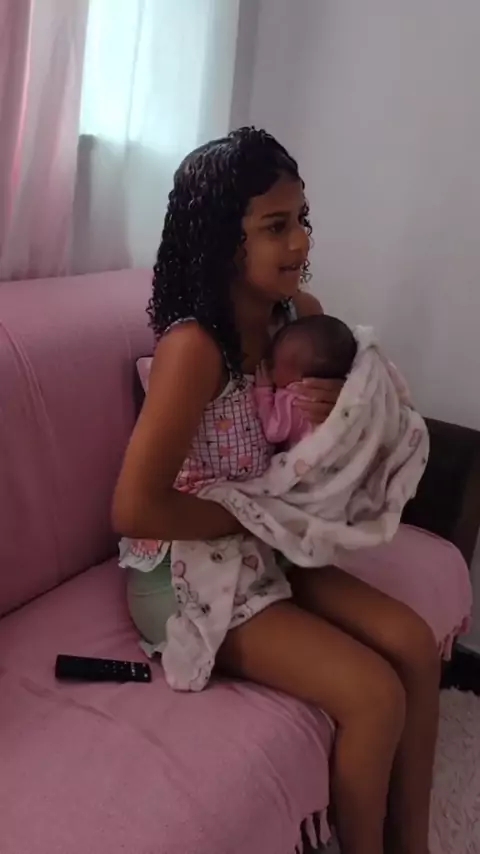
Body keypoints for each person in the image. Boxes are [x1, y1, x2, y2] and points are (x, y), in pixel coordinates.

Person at [112, 127, 439, 854]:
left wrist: (340, 418)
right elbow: (134, 507)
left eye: (303, 219)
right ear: (223, 242)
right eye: (275, 226)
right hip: (182, 566)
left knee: (415, 648)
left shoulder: (301, 319)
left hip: (268, 536)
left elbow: (336, 441)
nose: (301, 241)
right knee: (373, 695)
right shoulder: (193, 349)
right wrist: (254, 519)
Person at [254, 313, 357, 446]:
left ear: (300, 378)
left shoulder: (292, 399)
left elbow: (273, 432)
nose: (271, 371)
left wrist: (263, 393)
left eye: (274, 365)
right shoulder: (335, 390)